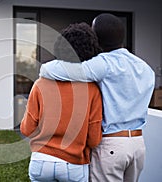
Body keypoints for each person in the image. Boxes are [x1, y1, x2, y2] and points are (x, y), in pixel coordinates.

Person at [39, 13, 155, 182]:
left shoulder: (104, 64)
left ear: (97, 38)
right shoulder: (145, 68)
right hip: (138, 145)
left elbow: (49, 70)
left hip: (112, 146)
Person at [20, 22, 103, 182]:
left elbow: (27, 129)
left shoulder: (40, 84)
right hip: (74, 165)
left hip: (41, 161)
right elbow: (94, 140)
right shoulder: (92, 90)